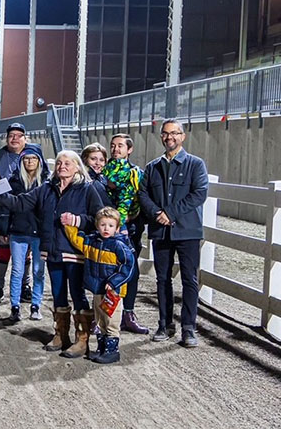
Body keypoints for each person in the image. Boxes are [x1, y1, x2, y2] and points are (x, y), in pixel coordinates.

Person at [0, 150, 104, 355]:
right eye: (59, 163)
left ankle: (82, 340)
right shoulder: (46, 188)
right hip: (52, 251)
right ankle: (60, 335)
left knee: (78, 294)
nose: (62, 166)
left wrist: (77, 220)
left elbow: (97, 217)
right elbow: (20, 203)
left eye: (67, 163)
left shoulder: (87, 189)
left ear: (77, 167)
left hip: (75, 251)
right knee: (57, 293)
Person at [138, 120, 209, 347]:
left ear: (183, 136)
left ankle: (188, 328)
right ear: (161, 137)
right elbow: (143, 194)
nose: (170, 137)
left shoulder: (196, 165)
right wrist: (157, 214)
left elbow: (199, 194)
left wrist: (169, 213)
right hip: (161, 232)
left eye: (175, 133)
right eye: (166, 134)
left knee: (189, 280)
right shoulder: (152, 167)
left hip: (187, 231)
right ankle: (165, 324)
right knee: (162, 280)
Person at [62, 207, 136, 363]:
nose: (106, 229)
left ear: (117, 228)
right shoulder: (92, 241)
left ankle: (112, 350)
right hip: (98, 289)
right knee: (100, 318)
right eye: (103, 225)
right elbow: (77, 241)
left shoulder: (119, 246)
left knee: (112, 320)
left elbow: (128, 267)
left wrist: (114, 281)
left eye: (110, 225)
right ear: (97, 226)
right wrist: (68, 225)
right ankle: (101, 347)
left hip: (113, 292)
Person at [103, 133, 150, 335]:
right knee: (105, 270)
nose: (116, 149)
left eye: (120, 146)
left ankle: (128, 314)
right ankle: (103, 316)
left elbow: (134, 200)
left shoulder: (134, 173)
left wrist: (123, 222)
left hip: (129, 227)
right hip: (104, 227)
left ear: (129, 150)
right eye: (113, 146)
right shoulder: (104, 170)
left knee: (130, 271)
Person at [2, 143, 49, 324]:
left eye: (33, 158)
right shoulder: (14, 181)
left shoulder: (46, 183)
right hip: (19, 231)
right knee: (17, 270)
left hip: (39, 233)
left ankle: (35, 305)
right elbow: (6, 208)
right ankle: (15, 306)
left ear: (39, 161)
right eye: (26, 158)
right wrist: (4, 228)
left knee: (38, 271)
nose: (30, 162)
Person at [0, 122, 29, 304]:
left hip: (25, 212)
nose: (15, 138)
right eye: (11, 135)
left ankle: (25, 286)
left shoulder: (33, 156)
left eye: (19, 135)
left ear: (25, 139)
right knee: (1, 247)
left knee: (25, 252)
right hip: (1, 210)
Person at [81, 143, 112, 207]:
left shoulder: (104, 178)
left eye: (101, 160)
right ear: (85, 160)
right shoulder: (84, 180)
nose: (98, 163)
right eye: (93, 159)